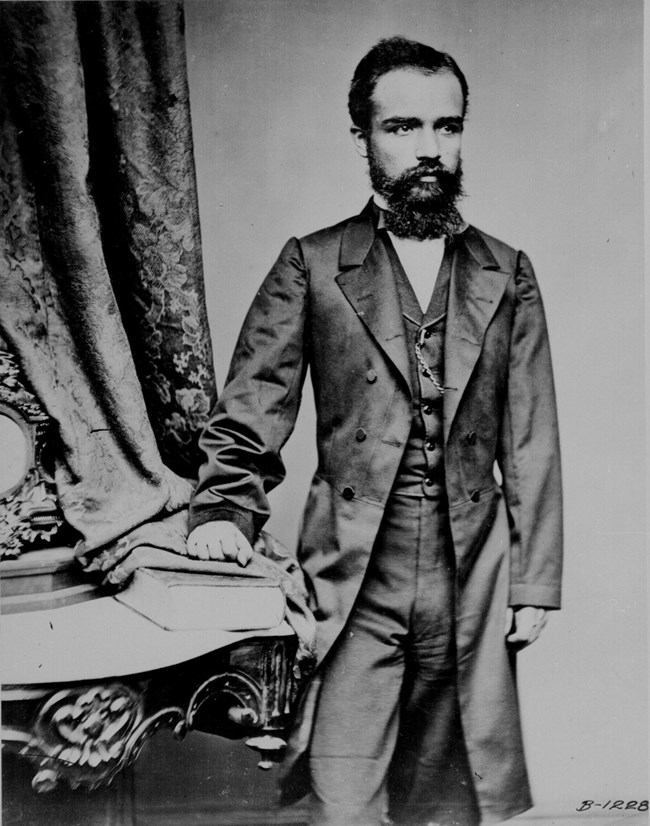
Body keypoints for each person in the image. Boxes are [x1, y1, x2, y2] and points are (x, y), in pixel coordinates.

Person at [187, 36, 563, 826]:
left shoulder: (508, 272)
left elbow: (530, 438)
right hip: (357, 572)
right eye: (403, 128)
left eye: (447, 127)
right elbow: (255, 399)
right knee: (344, 801)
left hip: (473, 567)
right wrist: (224, 510)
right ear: (362, 136)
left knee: (449, 798)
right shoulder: (314, 264)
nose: (430, 149)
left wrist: (534, 583)